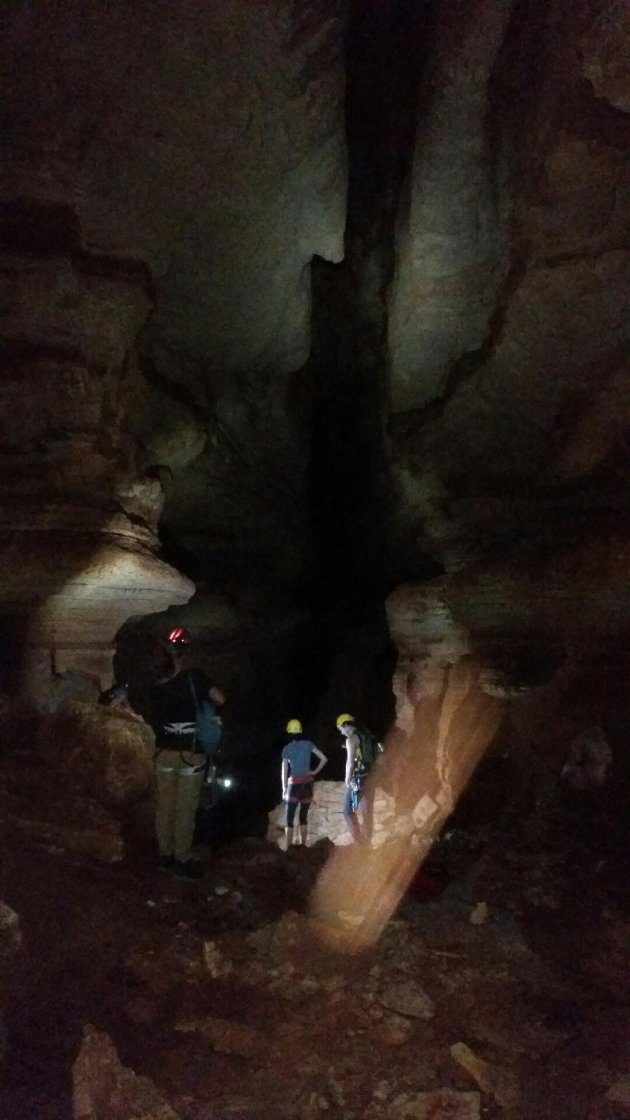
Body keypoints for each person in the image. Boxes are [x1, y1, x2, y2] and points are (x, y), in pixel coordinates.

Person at [150, 627, 225, 879]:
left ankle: (164, 855)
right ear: (183, 654)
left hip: (163, 752)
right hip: (189, 752)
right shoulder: (195, 677)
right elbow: (221, 699)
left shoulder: (157, 681)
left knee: (164, 806)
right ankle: (181, 859)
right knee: (185, 808)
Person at [336, 713, 382, 845]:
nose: (341, 732)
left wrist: (347, 779)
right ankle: (368, 840)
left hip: (358, 778)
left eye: (341, 728)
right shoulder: (365, 735)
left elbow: (350, 763)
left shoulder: (351, 739)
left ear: (345, 726)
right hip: (371, 775)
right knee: (366, 810)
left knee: (347, 811)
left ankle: (359, 843)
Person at [281, 719, 327, 848]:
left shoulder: (287, 749)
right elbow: (324, 759)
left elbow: (284, 770)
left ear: (289, 732)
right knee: (303, 817)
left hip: (294, 785)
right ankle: (304, 846)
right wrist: (314, 772)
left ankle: (288, 848)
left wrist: (284, 788)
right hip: (307, 784)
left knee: (289, 818)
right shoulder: (308, 744)